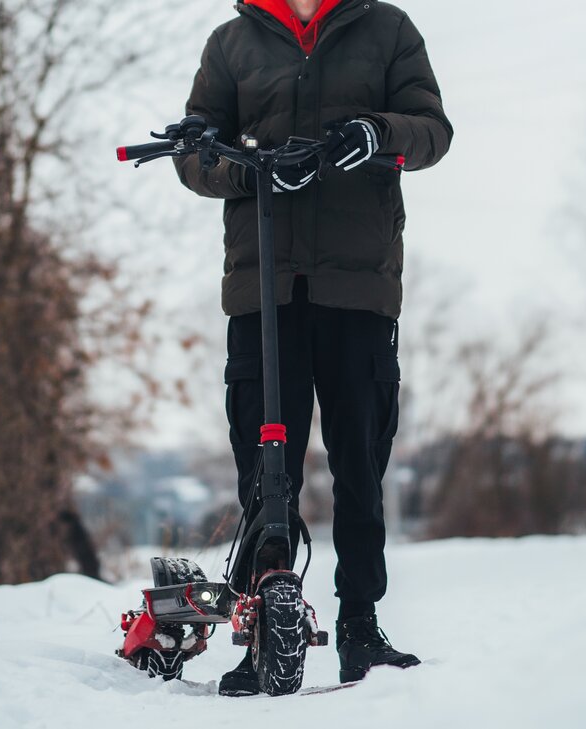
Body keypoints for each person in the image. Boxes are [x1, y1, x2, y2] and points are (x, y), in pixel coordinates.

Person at [175, 0, 452, 695]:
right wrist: (247, 167)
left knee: (360, 461)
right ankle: (263, 626)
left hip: (357, 285)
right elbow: (193, 152)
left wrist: (373, 134)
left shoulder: (387, 29)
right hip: (262, 283)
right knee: (265, 469)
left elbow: (431, 133)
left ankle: (360, 621)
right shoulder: (232, 43)